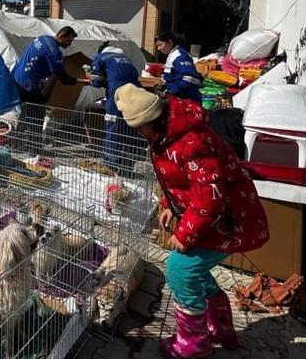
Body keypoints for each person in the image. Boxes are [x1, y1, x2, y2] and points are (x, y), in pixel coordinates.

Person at [115, 84, 269, 359]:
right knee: (192, 268)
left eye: (140, 127)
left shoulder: (192, 143)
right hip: (212, 217)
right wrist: (169, 205)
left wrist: (184, 234)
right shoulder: (166, 137)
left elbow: (210, 198)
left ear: (154, 119)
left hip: (228, 219)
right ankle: (219, 325)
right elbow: (177, 181)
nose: (139, 134)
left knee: (179, 268)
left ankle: (194, 341)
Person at [90, 42, 141, 172]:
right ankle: (128, 164)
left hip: (117, 91)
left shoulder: (100, 57)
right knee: (131, 123)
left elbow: (96, 80)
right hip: (135, 90)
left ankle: (110, 163)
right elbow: (135, 74)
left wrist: (98, 82)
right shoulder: (126, 58)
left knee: (112, 122)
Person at [12, 26, 78, 105]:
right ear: (61, 37)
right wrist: (77, 81)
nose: (70, 44)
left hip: (16, 76)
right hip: (27, 84)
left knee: (21, 110)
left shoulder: (43, 38)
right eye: (68, 41)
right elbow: (63, 78)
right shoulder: (54, 52)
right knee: (37, 113)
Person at [156, 31, 202, 104]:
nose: (158, 49)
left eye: (160, 45)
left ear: (170, 42)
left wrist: (174, 91)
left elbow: (189, 78)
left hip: (187, 101)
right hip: (179, 99)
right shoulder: (172, 55)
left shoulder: (180, 56)